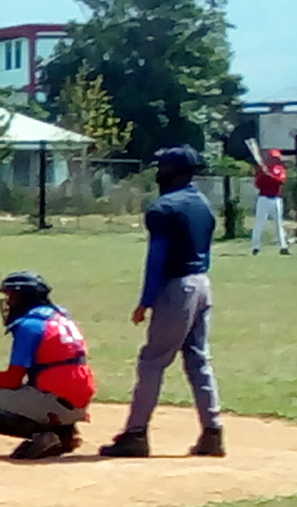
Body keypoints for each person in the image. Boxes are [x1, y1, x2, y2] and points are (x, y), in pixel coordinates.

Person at [100, 145, 224, 458]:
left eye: (161, 167)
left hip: (176, 288)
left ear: (170, 171)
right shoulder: (203, 204)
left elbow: (157, 259)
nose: (157, 172)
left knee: (152, 360)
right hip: (202, 284)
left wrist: (145, 300)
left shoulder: (163, 207)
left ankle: (136, 434)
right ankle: (213, 431)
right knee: (197, 358)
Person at [0, 271, 96, 460]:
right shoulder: (60, 317)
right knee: (40, 382)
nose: (8, 303)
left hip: (56, 401)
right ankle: (64, 433)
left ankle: (47, 436)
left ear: (23, 297)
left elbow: (12, 379)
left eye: (11, 296)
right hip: (77, 403)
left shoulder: (30, 326)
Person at [251, 149, 289, 256]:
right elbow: (258, 184)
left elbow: (280, 181)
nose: (276, 159)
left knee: (278, 224)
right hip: (263, 198)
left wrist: (269, 175)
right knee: (259, 223)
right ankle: (255, 247)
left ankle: (283, 247)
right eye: (274, 157)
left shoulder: (279, 169)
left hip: (276, 198)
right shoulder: (261, 169)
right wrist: (262, 174)